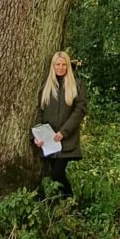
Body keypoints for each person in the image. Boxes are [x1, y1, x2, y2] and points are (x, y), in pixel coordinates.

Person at [33, 50, 87, 198]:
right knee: (51, 175)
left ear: (68, 66)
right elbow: (40, 112)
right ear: (53, 66)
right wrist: (37, 136)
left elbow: (80, 111)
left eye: (64, 64)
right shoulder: (47, 87)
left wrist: (64, 132)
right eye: (58, 64)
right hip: (49, 141)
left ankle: (71, 202)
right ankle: (58, 205)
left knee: (57, 173)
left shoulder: (77, 85)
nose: (61, 67)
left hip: (66, 140)